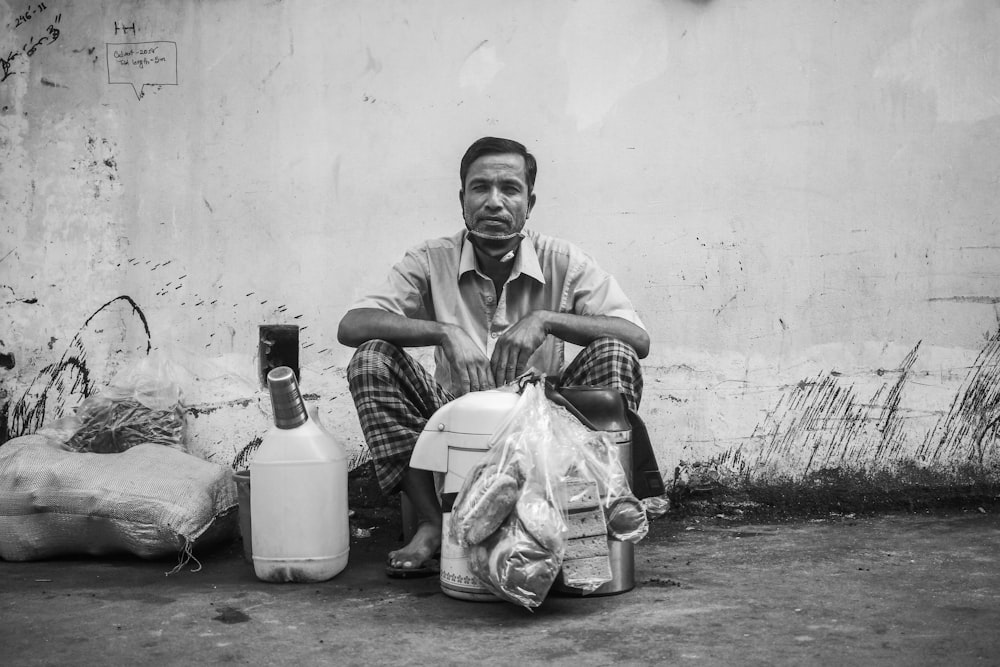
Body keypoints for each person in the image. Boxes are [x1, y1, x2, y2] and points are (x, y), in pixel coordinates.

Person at [337, 136, 649, 577]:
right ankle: (431, 521)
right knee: (371, 359)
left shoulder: (563, 260)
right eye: (480, 188)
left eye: (510, 189)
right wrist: (443, 333)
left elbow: (637, 338)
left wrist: (547, 320)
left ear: (530, 201)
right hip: (452, 421)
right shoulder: (430, 260)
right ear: (462, 198)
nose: (494, 202)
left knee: (614, 353)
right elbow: (352, 325)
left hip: (547, 426)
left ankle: (587, 523)